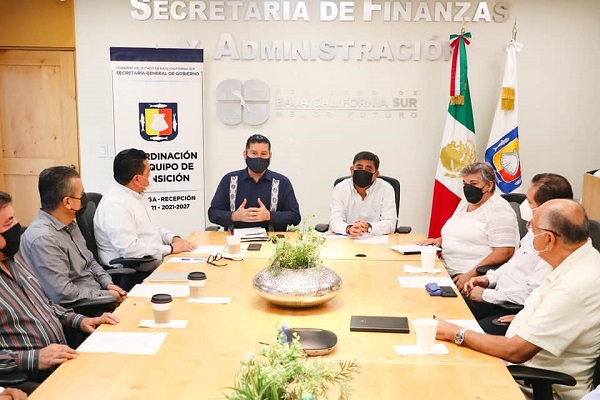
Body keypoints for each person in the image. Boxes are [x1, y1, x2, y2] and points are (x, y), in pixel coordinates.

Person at [436, 199, 600, 400]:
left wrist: (455, 332)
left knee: (442, 379)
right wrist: (532, 316)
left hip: (532, 386)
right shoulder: (579, 257)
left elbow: (516, 351)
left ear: (549, 239)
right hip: (520, 368)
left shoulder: (574, 285)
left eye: (532, 229)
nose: (529, 235)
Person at [0, 191, 119, 383]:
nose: (16, 227)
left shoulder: (14, 259)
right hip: (31, 379)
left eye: (14, 219)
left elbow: (45, 304)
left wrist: (81, 320)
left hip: (64, 362)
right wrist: (35, 358)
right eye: (8, 224)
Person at [462, 173, 574, 334]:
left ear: (547, 208)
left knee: (467, 334)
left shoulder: (555, 244)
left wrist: (487, 295)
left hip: (514, 307)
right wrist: (489, 279)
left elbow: (533, 293)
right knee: (450, 306)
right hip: (499, 296)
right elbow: (513, 265)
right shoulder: (534, 230)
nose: (524, 205)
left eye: (529, 202)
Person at [20, 167, 127, 307]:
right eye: (81, 195)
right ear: (67, 202)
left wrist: (108, 284)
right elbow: (63, 294)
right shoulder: (44, 239)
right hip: (81, 310)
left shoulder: (70, 224)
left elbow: (90, 261)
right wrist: (106, 296)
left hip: (99, 298)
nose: (84, 199)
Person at [418, 162, 518, 291]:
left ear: (489, 185)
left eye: (473, 183)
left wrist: (471, 274)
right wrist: (441, 240)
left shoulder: (499, 210)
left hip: (468, 277)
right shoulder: (465, 203)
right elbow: (464, 229)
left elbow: (504, 252)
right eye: (465, 184)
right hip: (443, 268)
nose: (468, 188)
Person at [94, 148, 196, 272]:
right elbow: (130, 250)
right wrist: (170, 249)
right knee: (190, 273)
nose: (149, 177)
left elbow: (155, 228)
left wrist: (174, 239)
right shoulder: (115, 205)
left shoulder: (137, 194)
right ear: (137, 179)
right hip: (134, 269)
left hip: (153, 260)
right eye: (148, 174)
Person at [208, 134, 301, 231]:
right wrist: (234, 216)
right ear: (245, 154)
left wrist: (269, 216)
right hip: (235, 238)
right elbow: (213, 213)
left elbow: (295, 217)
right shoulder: (229, 180)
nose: (259, 158)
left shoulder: (282, 182)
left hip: (272, 238)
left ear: (270, 156)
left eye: (263, 154)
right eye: (254, 153)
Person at [329, 151, 397, 237]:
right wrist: (349, 229)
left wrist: (368, 227)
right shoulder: (340, 188)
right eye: (359, 167)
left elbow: (390, 224)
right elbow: (335, 221)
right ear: (352, 170)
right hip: (347, 239)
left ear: (376, 174)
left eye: (368, 169)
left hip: (377, 240)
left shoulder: (386, 188)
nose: (363, 171)